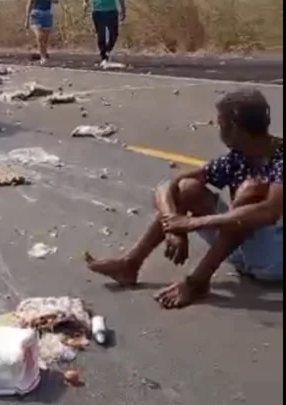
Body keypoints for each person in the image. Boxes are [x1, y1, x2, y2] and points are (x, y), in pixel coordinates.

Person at [87, 88, 283, 309]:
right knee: (188, 188)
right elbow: (168, 186)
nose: (218, 131)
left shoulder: (280, 158)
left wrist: (193, 223)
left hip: (275, 259)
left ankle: (197, 282)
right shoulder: (238, 157)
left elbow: (269, 211)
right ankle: (131, 263)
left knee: (250, 194)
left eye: (220, 124)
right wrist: (174, 225)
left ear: (234, 127)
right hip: (245, 252)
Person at [82, 0, 126, 66]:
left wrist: (123, 9)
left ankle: (107, 49)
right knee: (101, 34)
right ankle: (103, 56)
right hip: (98, 11)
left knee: (114, 34)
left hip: (111, 10)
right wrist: (85, 3)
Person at [25, 0, 58, 65]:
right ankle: (43, 57)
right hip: (36, 14)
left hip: (47, 14)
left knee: (45, 38)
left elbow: (56, 0)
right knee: (39, 36)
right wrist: (26, 19)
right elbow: (29, 4)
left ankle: (44, 52)